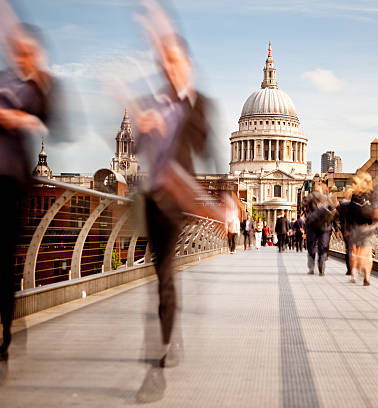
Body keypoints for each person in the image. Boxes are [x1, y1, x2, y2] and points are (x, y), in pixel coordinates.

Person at [130, 1, 228, 402]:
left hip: (178, 196)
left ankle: (161, 355)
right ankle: (171, 336)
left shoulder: (200, 104)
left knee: (166, 275)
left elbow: (210, 155)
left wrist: (224, 202)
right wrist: (143, 128)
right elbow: (134, 147)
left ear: (186, 65)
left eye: (175, 62)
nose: (169, 69)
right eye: (164, 62)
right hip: (153, 196)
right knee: (159, 275)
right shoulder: (151, 102)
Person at [0, 0, 62, 386]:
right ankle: (6, 336)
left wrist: (6, 114)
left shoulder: (33, 86)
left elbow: (49, 114)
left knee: (5, 264)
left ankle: (5, 338)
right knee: (3, 263)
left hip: (9, 186)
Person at [347, 173, 378, 286]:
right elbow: (375, 211)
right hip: (369, 226)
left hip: (356, 226)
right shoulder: (373, 195)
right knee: (368, 252)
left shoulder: (355, 195)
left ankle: (354, 274)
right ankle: (367, 277)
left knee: (354, 251)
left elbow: (350, 214)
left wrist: (348, 228)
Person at [302, 183, 336, 275]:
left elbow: (303, 203)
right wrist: (335, 227)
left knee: (311, 246)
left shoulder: (310, 196)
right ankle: (321, 263)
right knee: (323, 246)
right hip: (325, 226)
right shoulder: (328, 198)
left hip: (312, 225)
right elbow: (333, 211)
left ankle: (311, 268)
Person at [336, 187, 353, 275]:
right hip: (356, 229)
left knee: (348, 249)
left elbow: (337, 216)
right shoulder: (356, 204)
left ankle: (349, 269)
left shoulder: (341, 204)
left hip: (345, 229)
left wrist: (338, 229)